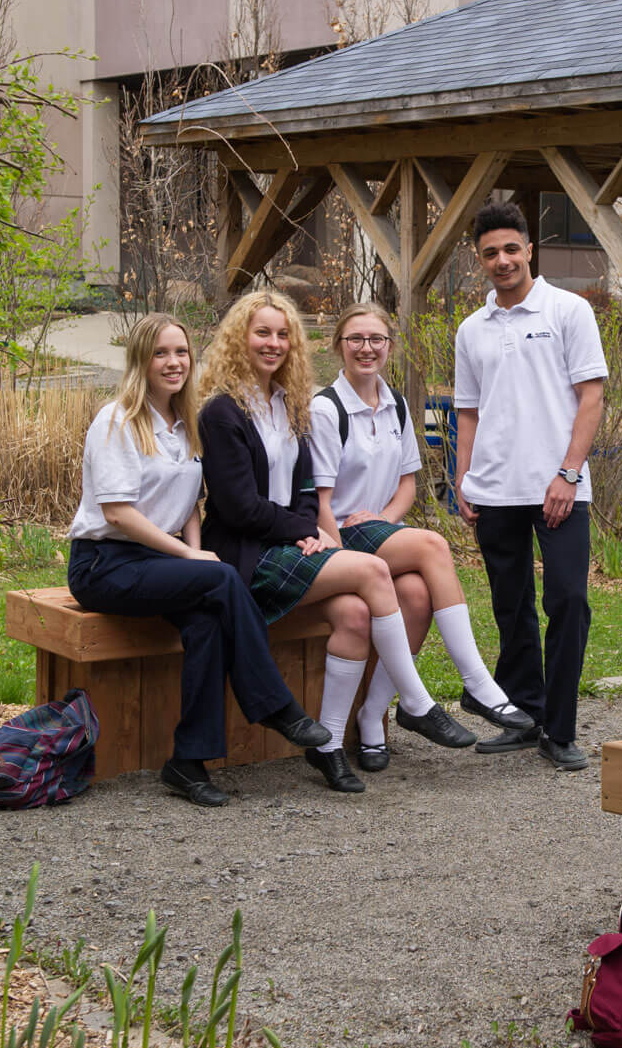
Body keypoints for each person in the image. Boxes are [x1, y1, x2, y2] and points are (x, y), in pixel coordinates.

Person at [196, 290, 476, 795]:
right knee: (372, 570)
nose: (273, 343)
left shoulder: (288, 405)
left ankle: (325, 745)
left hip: (290, 546)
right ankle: (416, 701)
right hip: (247, 555)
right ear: (239, 338)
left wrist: (307, 527)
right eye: (262, 333)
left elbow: (308, 490)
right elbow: (238, 507)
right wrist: (303, 531)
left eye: (283, 334)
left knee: (355, 614)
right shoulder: (222, 412)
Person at [65, 312, 330, 808]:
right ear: (140, 360)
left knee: (208, 620)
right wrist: (190, 555)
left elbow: (189, 503)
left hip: (158, 561)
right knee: (223, 579)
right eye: (161, 353)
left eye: (181, 352)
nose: (174, 362)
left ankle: (187, 762)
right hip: (105, 563)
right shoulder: (117, 420)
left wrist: (194, 549)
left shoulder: (185, 423)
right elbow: (118, 513)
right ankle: (276, 706)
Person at [308, 303, 532, 772]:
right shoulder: (327, 408)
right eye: (355, 339)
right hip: (337, 538)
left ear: (389, 346)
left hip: (377, 530)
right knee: (433, 544)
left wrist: (384, 518)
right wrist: (343, 555)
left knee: (415, 594)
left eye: (376, 339)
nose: (366, 348)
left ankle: (372, 719)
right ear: (338, 346)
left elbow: (407, 484)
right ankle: (476, 682)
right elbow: (320, 501)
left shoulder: (397, 403)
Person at [453, 201, 608, 771]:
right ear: (479, 259)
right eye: (490, 253)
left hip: (559, 487)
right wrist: (463, 478)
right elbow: (468, 411)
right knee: (510, 606)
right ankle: (524, 714)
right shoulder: (471, 329)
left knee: (568, 601)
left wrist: (568, 473)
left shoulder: (568, 310)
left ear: (529, 249)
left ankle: (559, 730)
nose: (502, 260)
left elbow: (591, 397)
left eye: (511, 249)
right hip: (494, 488)